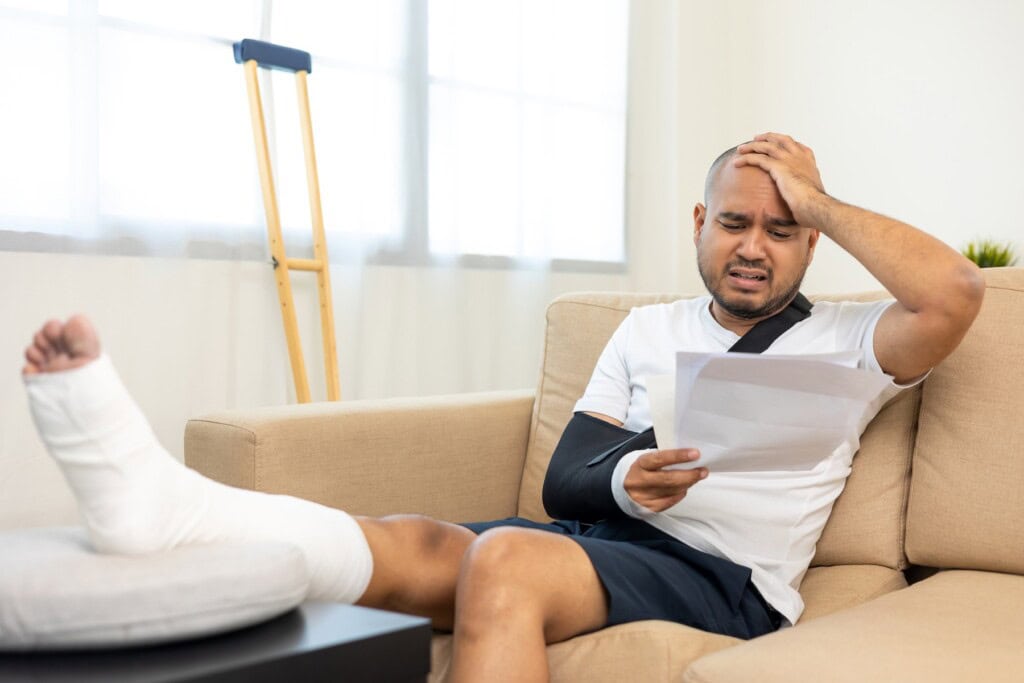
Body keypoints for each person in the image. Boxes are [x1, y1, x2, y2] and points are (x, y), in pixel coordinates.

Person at [22, 133, 983, 682]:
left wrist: (815, 198)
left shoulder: (852, 342)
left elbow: (953, 293)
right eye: (735, 221)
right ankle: (170, 508)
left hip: (731, 584)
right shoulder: (644, 331)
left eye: (783, 231)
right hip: (610, 541)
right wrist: (624, 477)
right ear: (699, 224)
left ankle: (166, 505)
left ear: (809, 245)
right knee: (403, 541)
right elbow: (570, 474)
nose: (754, 246)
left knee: (506, 556)